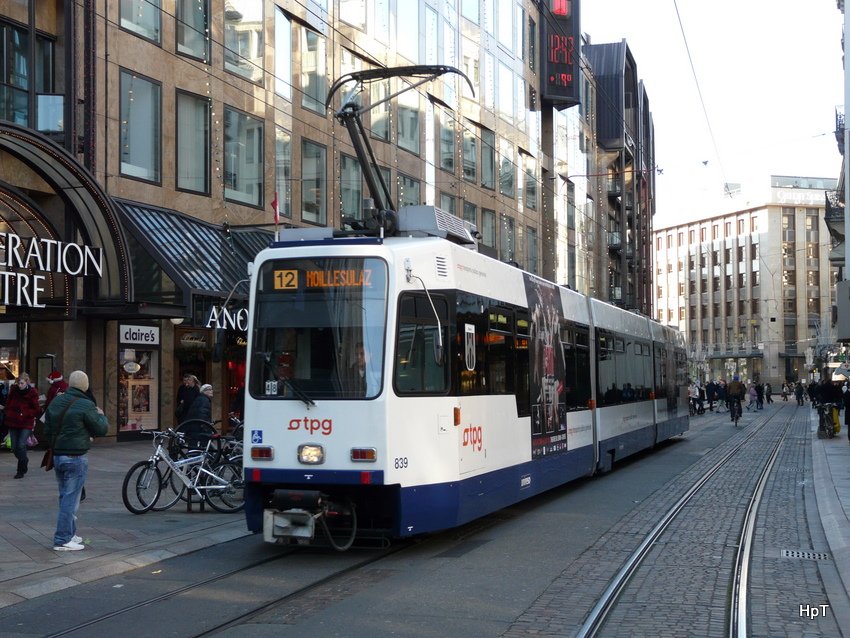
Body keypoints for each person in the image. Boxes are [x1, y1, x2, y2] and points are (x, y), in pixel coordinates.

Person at [43, 370, 107, 551]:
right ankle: (63, 539)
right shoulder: (86, 405)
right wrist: (101, 415)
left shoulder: (56, 401)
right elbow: (101, 429)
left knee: (65, 496)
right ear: (85, 385)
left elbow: (46, 430)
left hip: (57, 456)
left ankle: (70, 534)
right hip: (75, 456)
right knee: (70, 499)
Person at [2, 373, 40, 479]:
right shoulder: (14, 390)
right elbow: (8, 403)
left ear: (27, 382)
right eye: (18, 382)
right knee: (14, 447)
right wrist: (8, 411)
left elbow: (36, 409)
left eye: (22, 383)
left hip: (26, 422)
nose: (20, 385)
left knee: (21, 445)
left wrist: (26, 413)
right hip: (13, 422)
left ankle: (20, 470)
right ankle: (24, 459)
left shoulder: (32, 392)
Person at [180, 383, 214, 448]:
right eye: (209, 389)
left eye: (211, 389)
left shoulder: (200, 399)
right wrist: (206, 426)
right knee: (203, 447)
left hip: (194, 427)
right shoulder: (204, 400)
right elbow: (202, 414)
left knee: (194, 446)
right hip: (198, 428)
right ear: (204, 391)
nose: (211, 391)